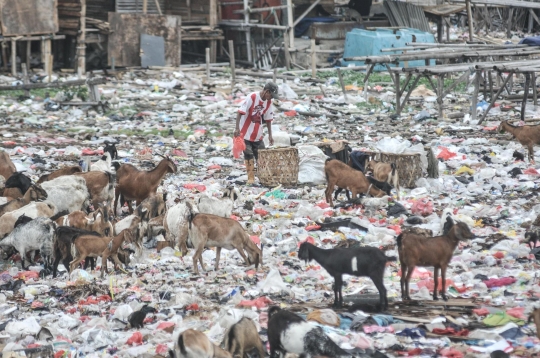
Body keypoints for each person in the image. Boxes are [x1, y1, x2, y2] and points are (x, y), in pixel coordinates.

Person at [234, 82, 278, 184]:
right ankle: (251, 178)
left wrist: (270, 135)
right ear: (267, 92)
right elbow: (240, 112)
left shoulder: (268, 103)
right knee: (248, 155)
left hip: (257, 133)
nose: (271, 98)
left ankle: (264, 178)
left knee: (262, 156)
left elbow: (268, 119)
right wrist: (237, 128)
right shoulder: (252, 97)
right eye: (271, 95)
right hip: (245, 133)